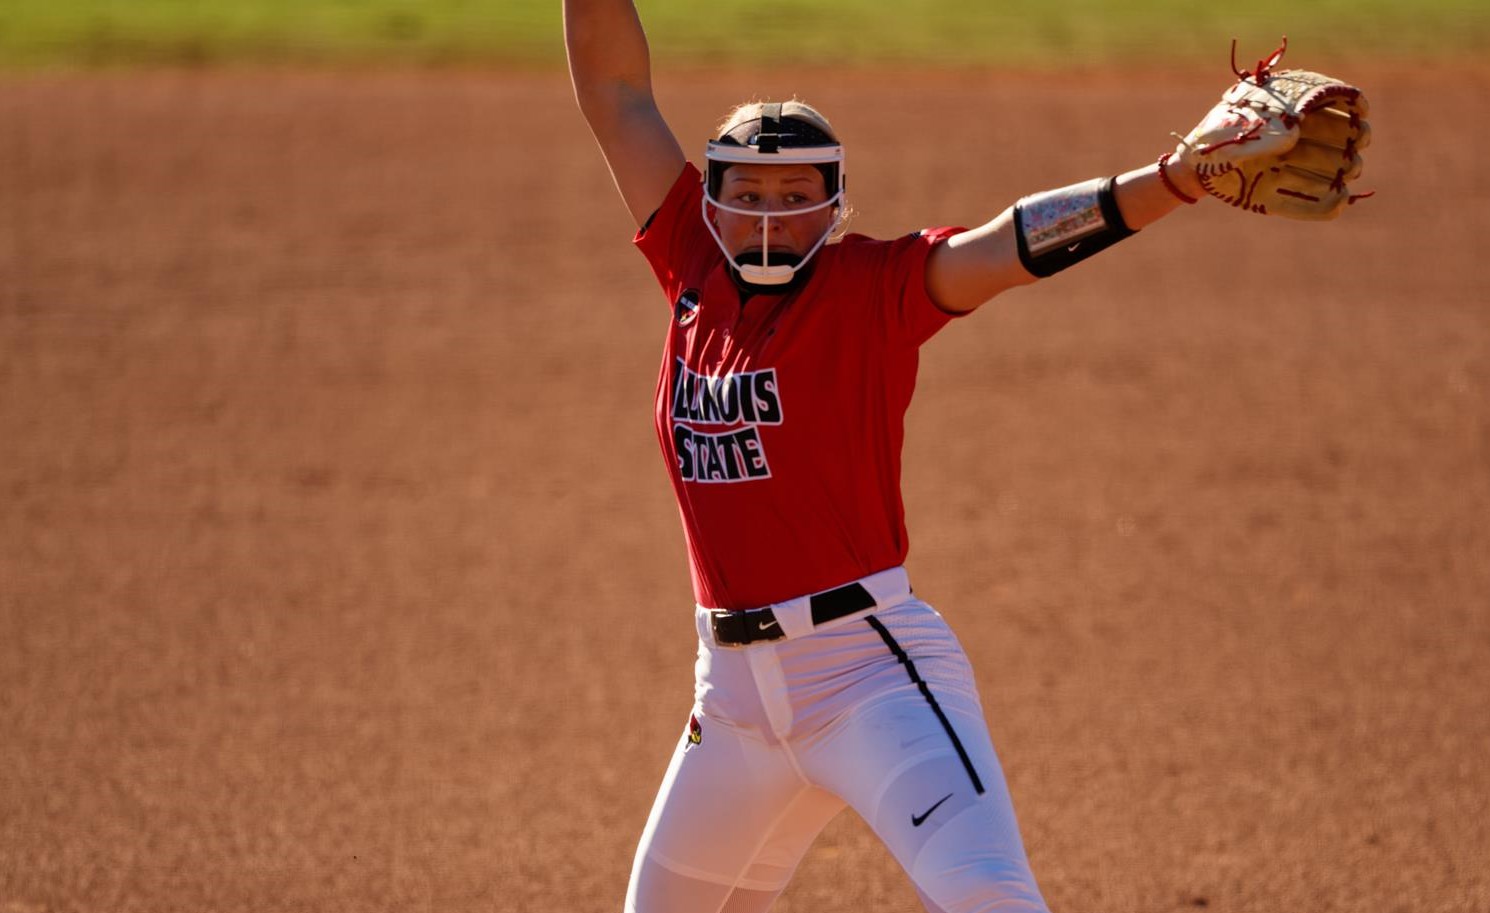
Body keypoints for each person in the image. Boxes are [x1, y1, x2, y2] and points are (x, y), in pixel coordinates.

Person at [563, 3, 1364, 911]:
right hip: (732, 707)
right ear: (710, 201)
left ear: (834, 206)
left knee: (989, 899)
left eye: (795, 198)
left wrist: (1173, 178)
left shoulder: (876, 288)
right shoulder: (687, 266)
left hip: (869, 678)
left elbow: (1011, 245)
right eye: (747, 192)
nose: (768, 218)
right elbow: (612, 90)